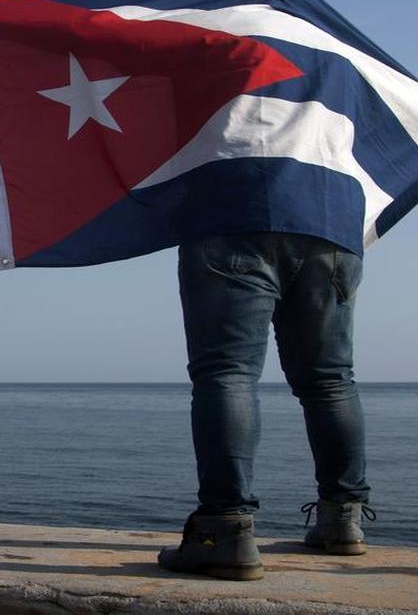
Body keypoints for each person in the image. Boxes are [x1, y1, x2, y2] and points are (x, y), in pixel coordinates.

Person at [157, 232, 375, 580]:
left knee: (227, 372)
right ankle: (342, 519)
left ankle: (226, 530)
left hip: (239, 216)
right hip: (332, 224)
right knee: (330, 381)